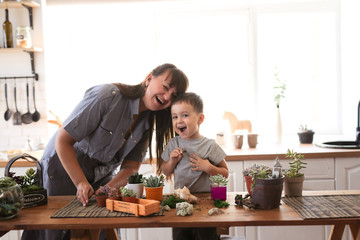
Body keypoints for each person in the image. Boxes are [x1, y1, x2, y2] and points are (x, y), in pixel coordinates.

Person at [21, 63, 189, 240]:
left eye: (174, 95)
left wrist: (108, 188)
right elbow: (62, 141)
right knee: (60, 231)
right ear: (149, 79)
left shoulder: (147, 124)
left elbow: (130, 168)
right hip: (62, 170)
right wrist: (80, 182)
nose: (167, 96)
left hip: (99, 178)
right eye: (165, 87)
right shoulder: (108, 96)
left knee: (103, 230)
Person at [160, 92, 229, 240]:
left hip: (206, 203)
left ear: (200, 119)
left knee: (207, 237)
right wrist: (172, 161)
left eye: (184, 115)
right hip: (180, 201)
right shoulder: (174, 144)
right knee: (181, 236)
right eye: (175, 116)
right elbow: (165, 171)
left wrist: (208, 167)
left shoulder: (209, 145)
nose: (179, 120)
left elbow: (225, 173)